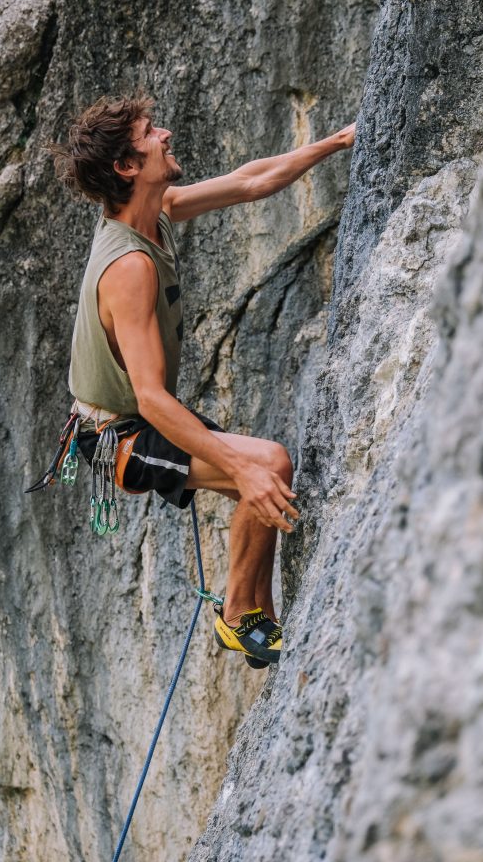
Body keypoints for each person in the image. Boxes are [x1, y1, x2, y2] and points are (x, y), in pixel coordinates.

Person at [47, 93, 355, 668]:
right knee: (267, 465)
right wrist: (244, 468)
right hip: (117, 435)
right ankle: (237, 618)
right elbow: (150, 398)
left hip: (133, 417)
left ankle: (261, 619)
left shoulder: (155, 211)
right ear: (127, 166)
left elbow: (250, 182)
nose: (165, 134)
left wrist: (337, 142)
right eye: (150, 133)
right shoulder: (129, 267)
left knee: (258, 483)